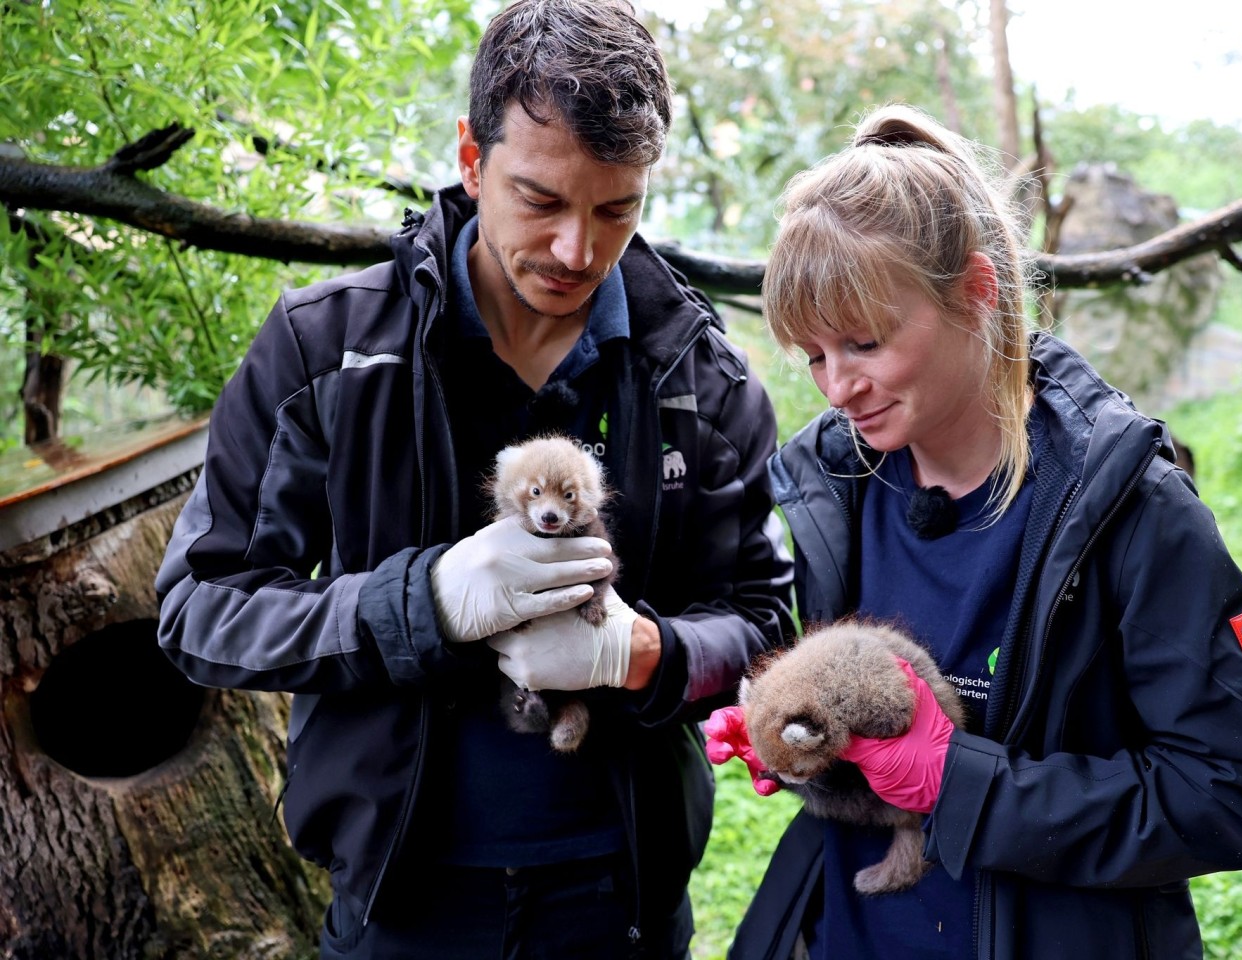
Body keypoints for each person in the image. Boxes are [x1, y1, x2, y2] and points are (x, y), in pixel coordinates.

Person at [155, 2, 794, 957]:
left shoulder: (701, 380)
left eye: (616, 209)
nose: (579, 250)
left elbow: (768, 626)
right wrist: (423, 606)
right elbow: (199, 611)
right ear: (470, 157)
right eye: (541, 200)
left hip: (622, 906)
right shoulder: (325, 349)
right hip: (400, 906)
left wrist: (647, 654)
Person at [705, 104, 1242, 960]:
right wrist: (805, 740)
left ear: (976, 291)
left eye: (864, 343)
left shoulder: (1131, 509)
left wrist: (961, 787)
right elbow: (872, 734)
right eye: (813, 355)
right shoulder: (834, 485)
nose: (837, 387)